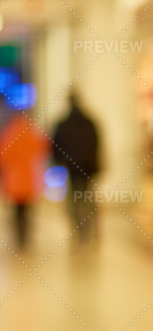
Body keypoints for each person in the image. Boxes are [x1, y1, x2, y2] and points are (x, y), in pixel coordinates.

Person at [0, 109, 49, 249]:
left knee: (16, 212)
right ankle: (26, 236)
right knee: (27, 211)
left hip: (13, 180)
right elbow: (44, 148)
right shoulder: (32, 134)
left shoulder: (9, 134)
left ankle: (18, 237)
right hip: (30, 180)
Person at [52, 90, 102, 242]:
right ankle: (92, 230)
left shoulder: (63, 123)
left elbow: (56, 146)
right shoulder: (89, 122)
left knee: (74, 200)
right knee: (88, 198)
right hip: (88, 167)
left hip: (72, 168)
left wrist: (59, 161)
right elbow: (97, 144)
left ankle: (79, 232)